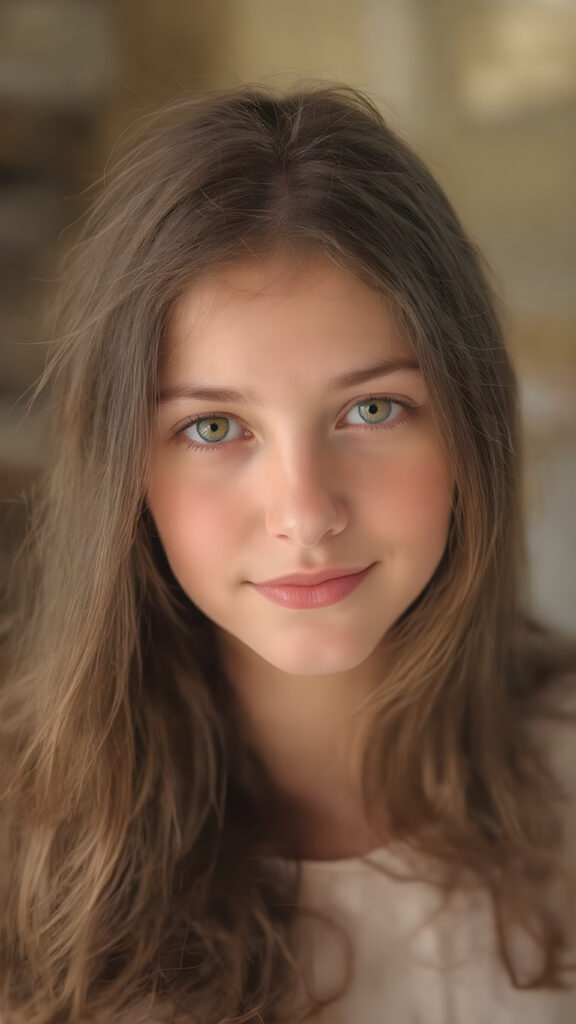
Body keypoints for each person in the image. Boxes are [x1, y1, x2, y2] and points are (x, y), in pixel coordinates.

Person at [0, 82, 575, 1024]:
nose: (305, 515)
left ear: (471, 431)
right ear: (123, 470)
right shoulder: (23, 852)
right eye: (216, 425)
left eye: (371, 409)